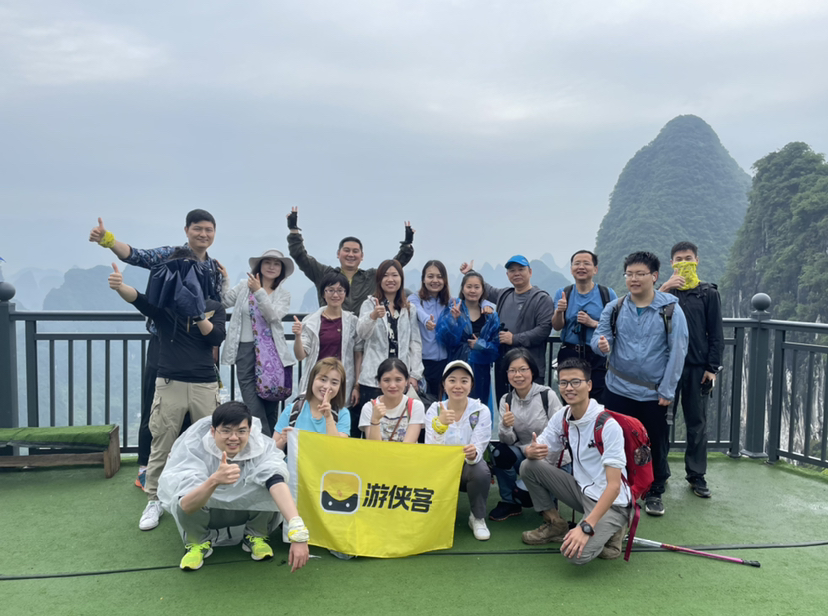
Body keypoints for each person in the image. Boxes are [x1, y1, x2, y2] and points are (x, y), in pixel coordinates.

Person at [89, 210, 223, 489]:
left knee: (191, 414)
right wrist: (107, 240)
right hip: (164, 338)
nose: (203, 234)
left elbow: (215, 305)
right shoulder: (169, 255)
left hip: (198, 344)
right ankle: (145, 468)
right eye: (197, 228)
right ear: (186, 230)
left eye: (208, 230)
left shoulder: (213, 268)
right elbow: (135, 255)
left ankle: (185, 468)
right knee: (156, 405)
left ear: (214, 232)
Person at [107, 252, 226, 532]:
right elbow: (139, 299)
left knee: (211, 444)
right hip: (170, 383)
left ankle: (212, 495)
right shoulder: (164, 307)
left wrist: (198, 312)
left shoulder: (213, 306)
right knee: (162, 442)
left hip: (204, 383)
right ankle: (154, 500)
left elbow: (216, 337)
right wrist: (120, 286)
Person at [157, 401, 310, 572]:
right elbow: (185, 505)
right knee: (184, 495)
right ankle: (197, 542)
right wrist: (214, 480)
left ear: (250, 431)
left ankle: (255, 534)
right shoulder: (194, 448)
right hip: (208, 512)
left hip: (243, 510)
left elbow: (277, 481)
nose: (234, 437)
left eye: (241, 431)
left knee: (273, 484)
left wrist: (298, 531)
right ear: (213, 431)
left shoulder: (260, 446)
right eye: (226, 431)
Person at [591, 251, 688, 517]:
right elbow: (600, 337)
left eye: (640, 274)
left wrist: (667, 390)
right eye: (629, 274)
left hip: (654, 393)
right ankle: (619, 487)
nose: (633, 279)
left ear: (654, 277)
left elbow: (678, 351)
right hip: (618, 388)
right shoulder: (616, 307)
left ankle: (655, 490)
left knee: (654, 441)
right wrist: (601, 345)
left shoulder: (670, 310)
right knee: (616, 439)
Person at [520, 358, 633, 565]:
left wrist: (586, 526)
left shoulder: (608, 426)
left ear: (589, 385)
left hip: (612, 503)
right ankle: (555, 524)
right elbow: (540, 445)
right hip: (582, 491)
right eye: (563, 383)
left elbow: (614, 487)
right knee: (529, 466)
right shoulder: (563, 416)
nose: (568, 388)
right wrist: (531, 450)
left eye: (575, 382)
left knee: (575, 556)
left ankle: (615, 529)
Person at [659, 241, 723, 499]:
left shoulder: (708, 293)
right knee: (661, 422)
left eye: (688, 258)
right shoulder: (664, 293)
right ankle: (659, 473)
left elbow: (715, 333)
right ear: (671, 263)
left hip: (697, 368)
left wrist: (712, 368)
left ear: (697, 260)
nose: (684, 262)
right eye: (679, 259)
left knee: (697, 422)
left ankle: (696, 475)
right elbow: (646, 318)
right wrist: (664, 288)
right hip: (666, 368)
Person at [219, 250, 296, 436]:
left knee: (270, 408)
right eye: (267, 262)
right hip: (245, 350)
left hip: (273, 355)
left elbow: (273, 316)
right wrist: (225, 279)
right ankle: (269, 446)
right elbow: (224, 301)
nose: (271, 267)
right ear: (259, 266)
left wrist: (259, 292)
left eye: (276, 264)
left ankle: (271, 448)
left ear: (282, 269)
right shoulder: (244, 286)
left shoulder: (283, 295)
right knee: (253, 408)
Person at [461, 256, 554, 404]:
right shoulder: (505, 294)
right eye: (512, 270)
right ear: (507, 274)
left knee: (532, 408)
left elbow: (544, 330)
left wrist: (514, 339)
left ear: (530, 272)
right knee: (506, 406)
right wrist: (469, 272)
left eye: (521, 269)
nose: (516, 273)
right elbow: (485, 289)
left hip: (530, 367)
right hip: (505, 366)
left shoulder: (541, 299)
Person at [286, 207, 415, 312]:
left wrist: (407, 245)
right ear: (338, 254)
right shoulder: (324, 274)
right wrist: (294, 231)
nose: (351, 254)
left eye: (355, 251)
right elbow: (301, 257)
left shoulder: (371, 277)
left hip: (362, 332)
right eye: (346, 250)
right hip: (331, 330)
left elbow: (393, 266)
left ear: (362, 256)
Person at [489, 348, 564, 522]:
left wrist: (537, 451)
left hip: (548, 456)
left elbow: (561, 434)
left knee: (524, 495)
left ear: (532, 371)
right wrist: (506, 426)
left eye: (523, 369)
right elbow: (507, 441)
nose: (518, 375)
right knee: (499, 453)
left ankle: (550, 501)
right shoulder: (506, 399)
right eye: (512, 370)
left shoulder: (547, 395)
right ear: (506, 373)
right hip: (524, 455)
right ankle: (509, 502)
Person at [425, 361, 492, 541]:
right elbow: (431, 450)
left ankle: (477, 518)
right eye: (452, 380)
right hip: (441, 467)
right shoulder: (435, 409)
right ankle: (435, 512)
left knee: (480, 470)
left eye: (464, 381)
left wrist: (473, 453)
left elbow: (480, 444)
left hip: (466, 469)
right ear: (444, 384)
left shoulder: (481, 411)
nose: (458, 386)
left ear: (471, 385)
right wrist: (441, 426)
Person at [356, 260, 424, 438]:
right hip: (373, 379)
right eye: (385, 275)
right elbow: (361, 334)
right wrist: (372, 316)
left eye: (395, 275)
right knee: (373, 428)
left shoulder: (408, 308)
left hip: (400, 378)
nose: (390, 279)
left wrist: (415, 374)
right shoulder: (369, 304)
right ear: (379, 279)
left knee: (401, 426)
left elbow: (414, 342)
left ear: (401, 279)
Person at [551, 250, 617, 403]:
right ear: (571, 269)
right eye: (577, 263)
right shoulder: (563, 293)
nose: (581, 267)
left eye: (586, 263)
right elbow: (557, 326)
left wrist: (592, 323)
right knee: (570, 397)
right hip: (569, 353)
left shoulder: (607, 294)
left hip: (596, 354)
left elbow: (615, 327)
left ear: (595, 269)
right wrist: (559, 311)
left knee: (597, 400)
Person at [293, 272, 363, 411]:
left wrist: (356, 385)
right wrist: (298, 336)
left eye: (340, 290)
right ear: (323, 294)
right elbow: (300, 355)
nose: (335, 295)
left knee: (339, 418)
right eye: (330, 290)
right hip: (318, 381)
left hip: (341, 383)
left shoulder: (353, 322)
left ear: (346, 294)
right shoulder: (312, 321)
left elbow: (358, 354)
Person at [436, 269, 500, 407]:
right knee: (454, 404)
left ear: (482, 290)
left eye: (477, 287)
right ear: (463, 289)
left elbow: (496, 348)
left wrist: (481, 345)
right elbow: (444, 339)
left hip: (481, 371)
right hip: (457, 365)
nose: (472, 290)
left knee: (478, 407)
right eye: (469, 286)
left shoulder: (490, 316)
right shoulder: (453, 309)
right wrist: (453, 320)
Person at [272, 357, 351, 449]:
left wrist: (329, 417)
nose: (327, 386)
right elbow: (272, 451)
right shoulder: (292, 410)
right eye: (323, 379)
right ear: (312, 379)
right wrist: (283, 440)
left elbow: (339, 450)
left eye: (334, 383)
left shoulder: (342, 414)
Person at [408, 261, 451, 399]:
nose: (435, 280)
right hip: (422, 362)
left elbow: (472, 301)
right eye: (430, 276)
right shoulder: (415, 299)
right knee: (423, 402)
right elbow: (418, 311)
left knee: (440, 403)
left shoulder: (450, 302)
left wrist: (485, 304)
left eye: (439, 277)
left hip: (444, 362)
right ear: (423, 279)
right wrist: (427, 320)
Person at [359, 358, 425, 442]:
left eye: (398, 380)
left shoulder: (415, 406)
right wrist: (375, 420)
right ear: (379, 382)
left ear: (406, 381)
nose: (392, 385)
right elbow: (373, 447)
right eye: (386, 380)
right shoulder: (369, 408)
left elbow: (408, 445)